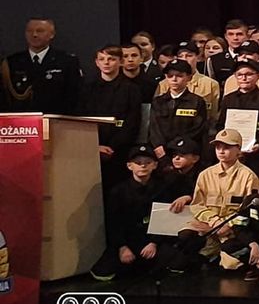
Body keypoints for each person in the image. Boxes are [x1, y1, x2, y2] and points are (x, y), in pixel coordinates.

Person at [170, 129, 259, 272]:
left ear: (238, 149)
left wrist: (226, 225)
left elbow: (249, 211)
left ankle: (218, 256)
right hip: (207, 226)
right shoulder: (205, 175)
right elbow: (197, 205)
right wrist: (214, 222)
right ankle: (207, 255)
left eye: (227, 147)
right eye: (218, 147)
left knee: (231, 265)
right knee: (184, 238)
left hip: (233, 230)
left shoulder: (249, 177)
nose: (221, 151)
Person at [89, 145, 165, 280]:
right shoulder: (118, 191)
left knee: (173, 262)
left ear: (155, 165)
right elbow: (113, 222)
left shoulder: (162, 188)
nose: (143, 166)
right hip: (128, 239)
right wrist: (122, 246)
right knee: (102, 272)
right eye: (138, 163)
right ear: (129, 166)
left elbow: (163, 218)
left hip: (151, 239)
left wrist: (154, 242)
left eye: (148, 162)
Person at [79, 44, 144, 188]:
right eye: (102, 59)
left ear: (121, 61)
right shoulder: (87, 88)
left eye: (111, 59)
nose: (106, 63)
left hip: (120, 152)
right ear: (97, 62)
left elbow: (132, 124)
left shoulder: (131, 89)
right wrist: (95, 146)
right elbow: (82, 120)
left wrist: (112, 147)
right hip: (91, 150)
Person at [3, 18, 82, 113]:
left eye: (40, 31)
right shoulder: (13, 62)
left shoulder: (67, 61)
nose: (34, 35)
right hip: (21, 119)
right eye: (29, 31)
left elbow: (74, 96)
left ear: (52, 34)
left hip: (55, 118)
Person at [149, 61, 211, 162]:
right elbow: (154, 128)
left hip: (186, 152)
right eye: (170, 76)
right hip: (161, 153)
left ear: (189, 78)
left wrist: (175, 146)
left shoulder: (197, 101)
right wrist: (159, 146)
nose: (174, 79)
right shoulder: (158, 102)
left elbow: (197, 129)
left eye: (179, 76)